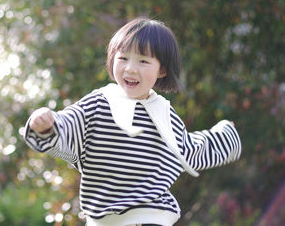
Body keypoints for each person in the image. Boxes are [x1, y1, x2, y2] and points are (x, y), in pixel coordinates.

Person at [23, 17, 241, 226]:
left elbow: (189, 150)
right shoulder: (99, 103)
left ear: (162, 70)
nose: (130, 68)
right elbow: (69, 123)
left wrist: (222, 136)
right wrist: (47, 126)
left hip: (154, 216)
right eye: (123, 58)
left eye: (143, 61)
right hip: (106, 219)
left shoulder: (164, 112)